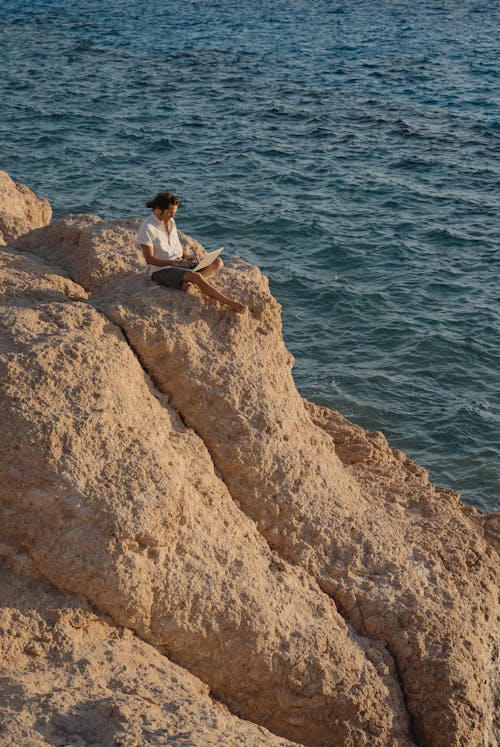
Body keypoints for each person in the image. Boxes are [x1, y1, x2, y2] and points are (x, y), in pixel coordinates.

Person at [137, 191, 245, 313]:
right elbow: (149, 259)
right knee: (196, 276)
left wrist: (187, 257)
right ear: (158, 209)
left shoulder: (171, 222)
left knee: (217, 262)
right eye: (169, 212)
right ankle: (231, 304)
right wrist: (175, 263)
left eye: (174, 212)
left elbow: (173, 246)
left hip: (180, 264)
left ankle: (186, 283)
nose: (172, 216)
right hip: (161, 270)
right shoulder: (147, 227)